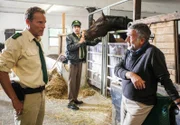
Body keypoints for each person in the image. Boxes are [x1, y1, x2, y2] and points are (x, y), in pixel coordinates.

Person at [114, 23, 180, 125]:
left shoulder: (153, 53)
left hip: (139, 104)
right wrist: (130, 75)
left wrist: (177, 100)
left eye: (130, 36)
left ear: (142, 40)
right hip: (125, 99)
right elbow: (117, 69)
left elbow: (164, 79)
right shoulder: (129, 51)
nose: (126, 40)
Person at [0, 6, 47, 125]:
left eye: (44, 22)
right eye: (40, 22)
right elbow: (2, 70)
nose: (43, 26)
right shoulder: (17, 41)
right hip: (26, 97)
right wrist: (14, 99)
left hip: (41, 94)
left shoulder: (37, 41)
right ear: (28, 22)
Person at [66, 20, 101, 110]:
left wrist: (99, 38)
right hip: (73, 62)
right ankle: (70, 101)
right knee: (72, 82)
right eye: (75, 27)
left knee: (77, 82)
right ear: (72, 28)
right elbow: (69, 48)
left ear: (80, 28)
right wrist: (79, 43)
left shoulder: (82, 37)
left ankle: (75, 99)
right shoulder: (70, 37)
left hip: (80, 61)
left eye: (78, 27)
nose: (77, 28)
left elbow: (91, 43)